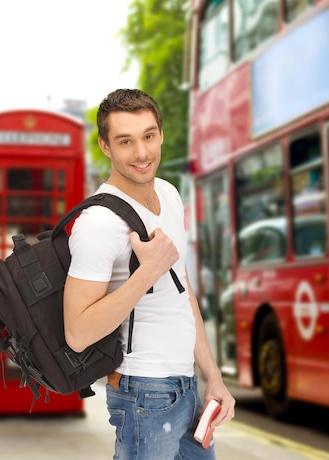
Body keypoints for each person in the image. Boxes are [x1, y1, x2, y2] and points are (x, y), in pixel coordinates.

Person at [63, 88, 235, 459]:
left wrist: (212, 376)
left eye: (149, 136)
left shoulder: (169, 195)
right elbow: (77, 333)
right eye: (126, 141)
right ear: (105, 146)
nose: (142, 153)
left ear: (160, 133)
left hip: (186, 388)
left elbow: (182, 294)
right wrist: (146, 273)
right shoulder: (98, 223)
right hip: (142, 393)